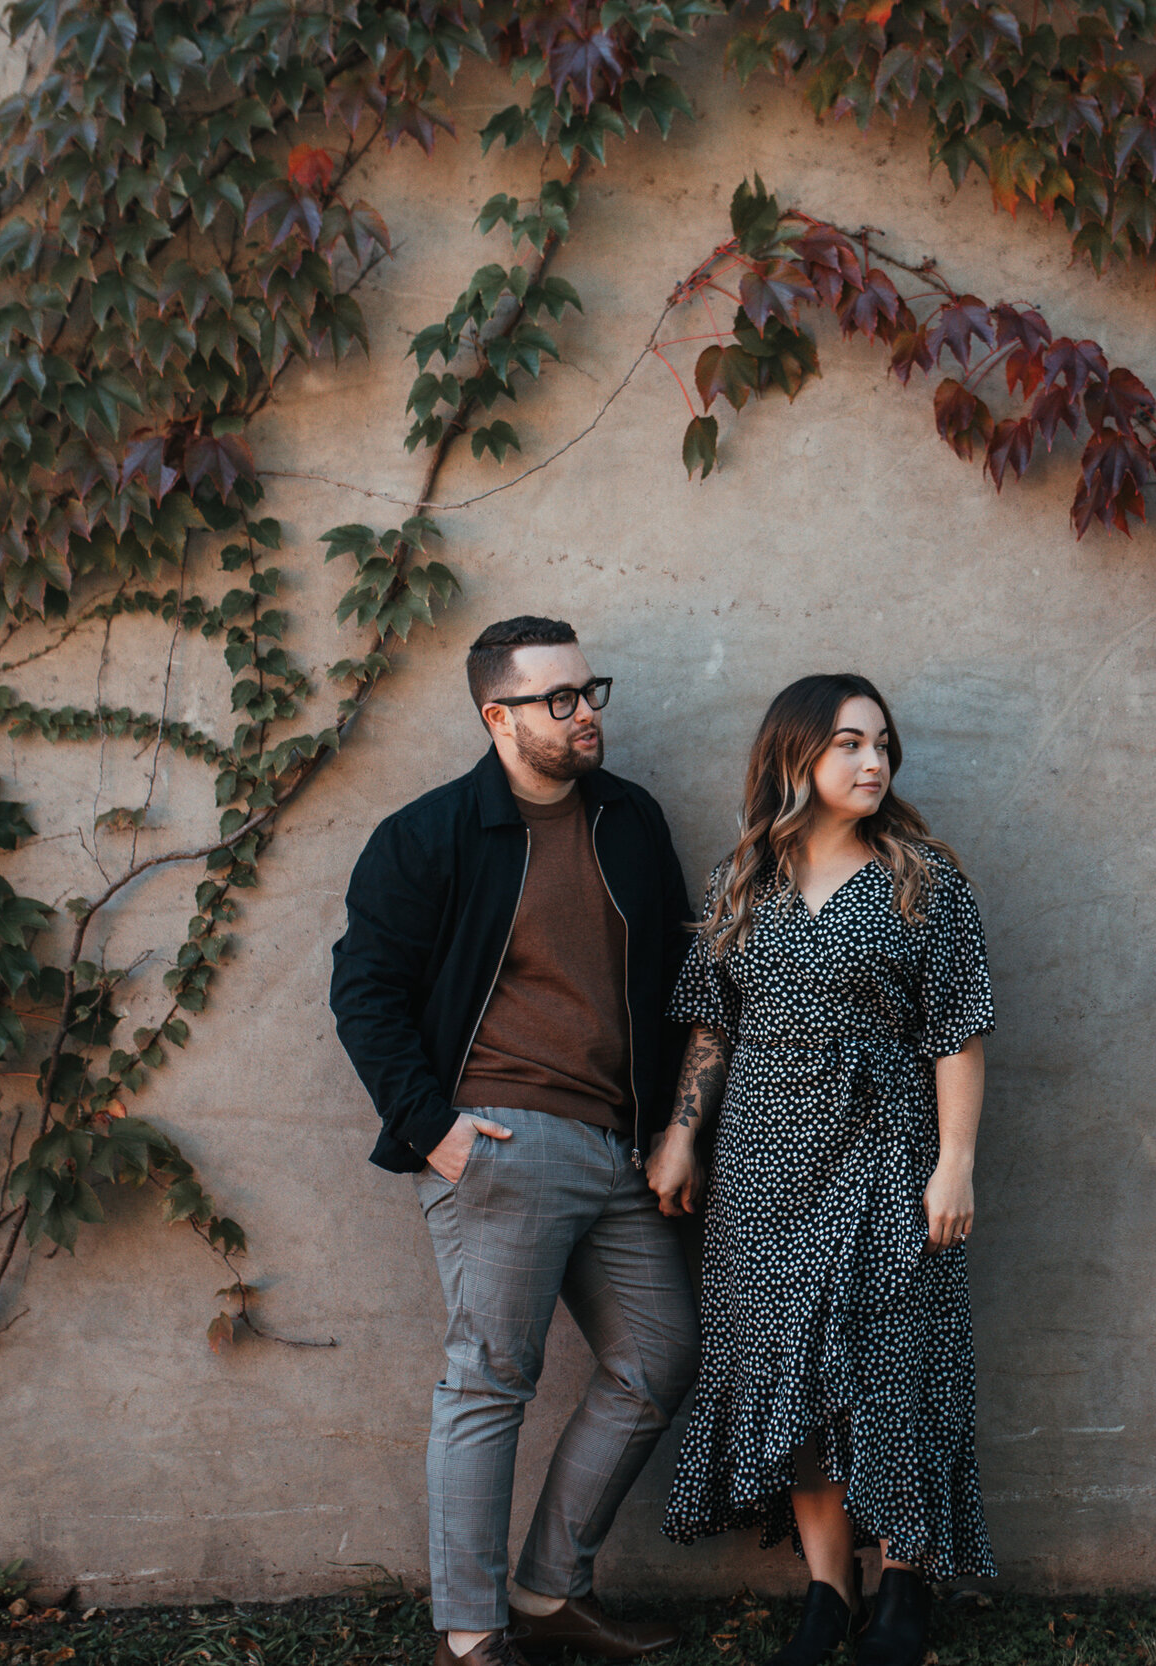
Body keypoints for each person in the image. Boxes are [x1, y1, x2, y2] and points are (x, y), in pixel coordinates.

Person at [330, 617, 698, 1666]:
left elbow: (675, 986)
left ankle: (546, 1591)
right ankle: (469, 1634)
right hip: (502, 1136)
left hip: (618, 1144)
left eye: (591, 691)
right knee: (490, 1378)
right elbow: (365, 994)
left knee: (659, 1358)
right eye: (559, 700)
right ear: (498, 717)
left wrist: (676, 1129)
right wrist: (436, 1130)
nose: (586, 714)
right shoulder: (430, 835)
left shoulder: (629, 819)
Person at [646, 673, 997, 1666]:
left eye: (882, 743)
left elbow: (958, 1033)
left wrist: (956, 1164)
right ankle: (825, 1590)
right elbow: (715, 1017)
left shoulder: (922, 878)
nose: (873, 761)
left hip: (890, 1149)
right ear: (793, 753)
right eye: (848, 742)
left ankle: (905, 1583)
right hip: (762, 1161)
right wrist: (681, 1131)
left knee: (893, 1363)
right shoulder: (742, 879)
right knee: (787, 1375)